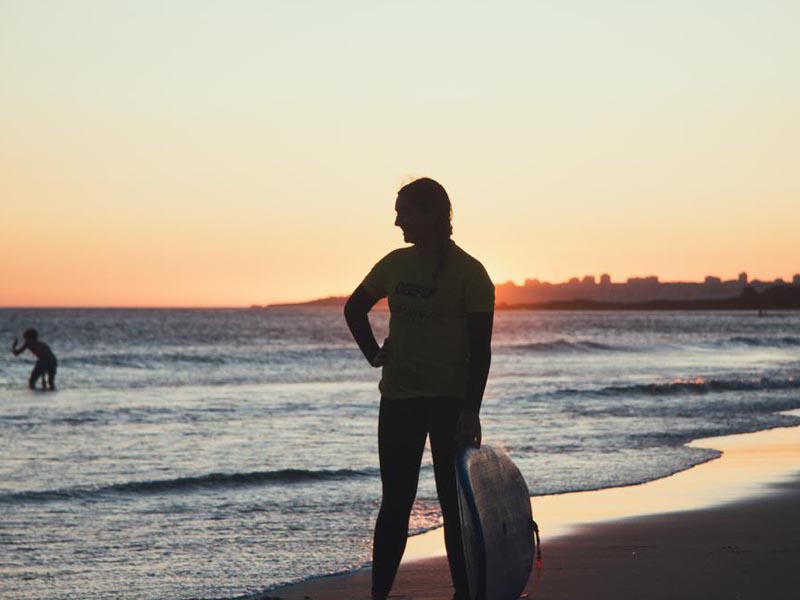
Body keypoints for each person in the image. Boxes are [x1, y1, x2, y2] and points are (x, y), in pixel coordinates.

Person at [344, 177, 494, 600]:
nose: (397, 221)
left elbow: (481, 351)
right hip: (399, 401)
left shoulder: (471, 273)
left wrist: (471, 410)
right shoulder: (394, 263)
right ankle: (379, 596)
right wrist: (374, 355)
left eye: (405, 212)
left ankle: (464, 594)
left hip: (450, 404)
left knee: (453, 503)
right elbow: (353, 308)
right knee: (395, 503)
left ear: (431, 215)